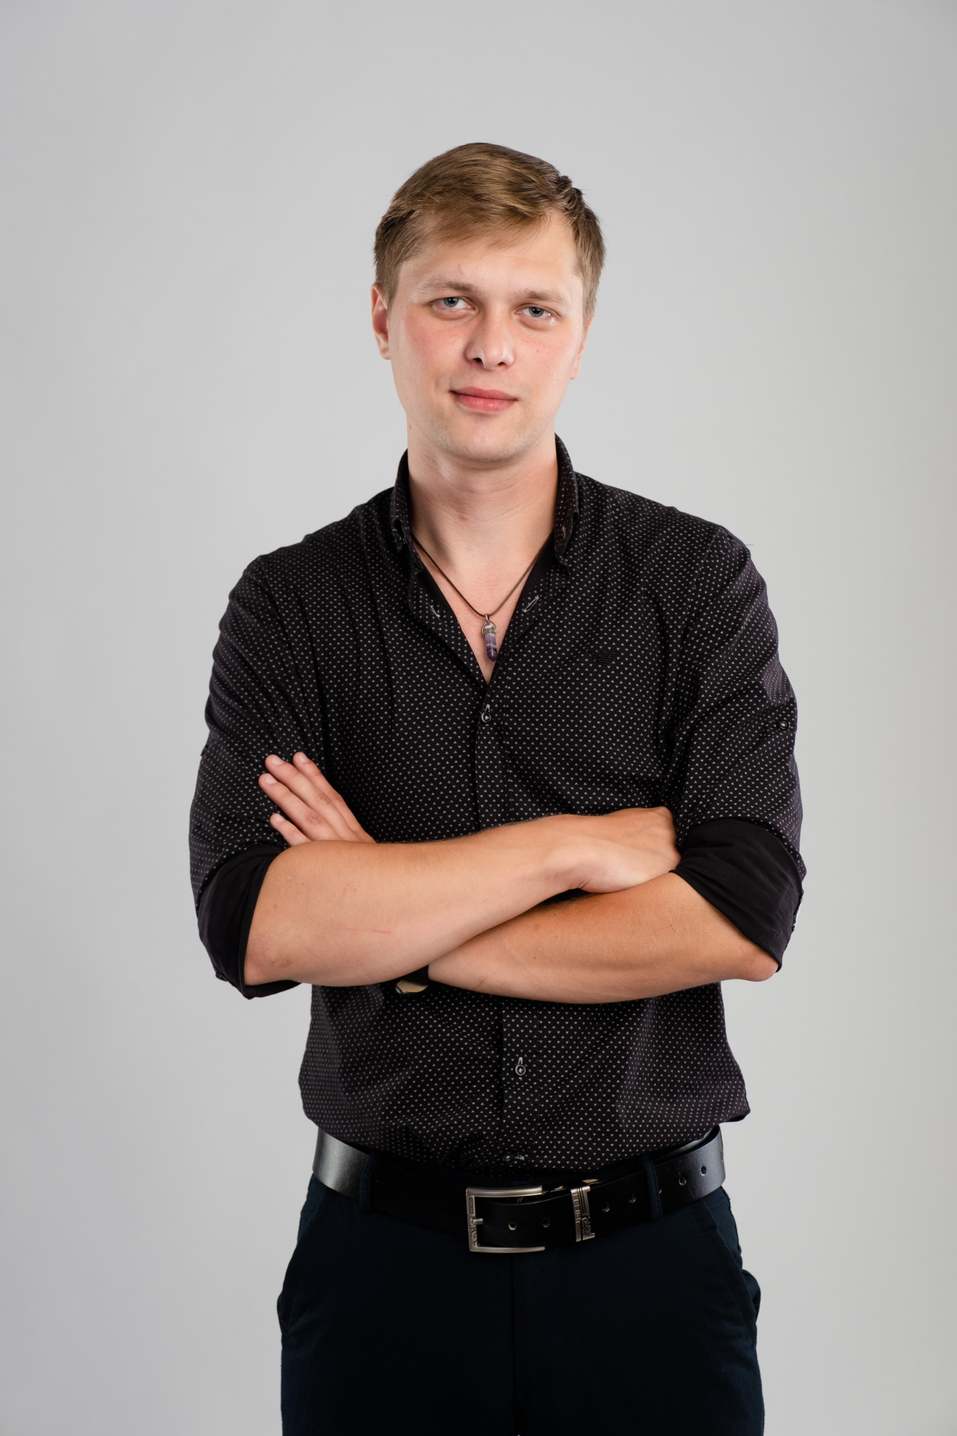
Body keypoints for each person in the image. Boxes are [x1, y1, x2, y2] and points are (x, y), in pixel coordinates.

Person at [188, 140, 806, 1436]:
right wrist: (567, 849)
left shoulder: (693, 585)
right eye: (450, 300)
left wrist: (394, 924)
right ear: (383, 317)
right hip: (381, 1277)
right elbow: (256, 923)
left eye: (533, 310)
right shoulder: (292, 606)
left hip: (652, 1273)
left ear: (579, 337)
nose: (489, 346)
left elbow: (740, 916)